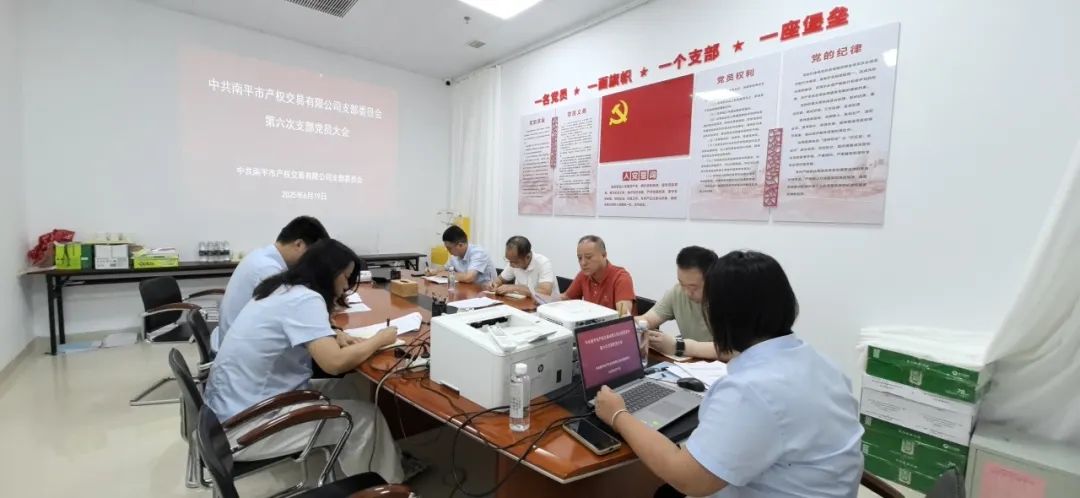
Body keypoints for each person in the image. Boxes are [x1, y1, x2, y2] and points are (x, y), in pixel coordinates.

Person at [595, 251, 863, 498]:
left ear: (722, 316)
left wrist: (618, 414)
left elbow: (688, 479)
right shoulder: (821, 363)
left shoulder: (750, 391)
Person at [204, 239, 404, 482]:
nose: (346, 285)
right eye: (345, 276)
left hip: (230, 409)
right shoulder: (305, 299)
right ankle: (385, 487)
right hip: (247, 427)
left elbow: (293, 329)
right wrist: (379, 339)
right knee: (367, 418)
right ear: (329, 272)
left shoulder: (280, 287)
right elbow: (334, 363)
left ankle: (363, 463)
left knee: (347, 387)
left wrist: (333, 334)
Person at [211, 216, 333, 351]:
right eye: (313, 256)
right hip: (241, 349)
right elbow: (296, 315)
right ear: (299, 244)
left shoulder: (262, 256)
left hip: (236, 340)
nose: (313, 263)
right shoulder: (267, 269)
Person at [637, 246, 730, 361]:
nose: (686, 292)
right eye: (682, 283)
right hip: (691, 364)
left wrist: (678, 346)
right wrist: (630, 327)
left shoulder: (729, 299)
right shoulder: (677, 291)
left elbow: (734, 350)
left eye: (693, 287)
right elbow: (647, 320)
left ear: (713, 280)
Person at [561, 235, 635, 315]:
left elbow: (623, 315)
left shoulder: (621, 278)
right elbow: (566, 298)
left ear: (604, 255)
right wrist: (551, 296)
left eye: (588, 257)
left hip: (613, 323)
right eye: (579, 258)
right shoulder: (584, 274)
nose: (583, 263)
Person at [488, 235, 556, 299]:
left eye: (515, 262)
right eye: (509, 260)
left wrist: (515, 288)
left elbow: (545, 293)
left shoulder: (543, 263)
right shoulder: (513, 261)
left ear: (527, 257)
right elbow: (500, 279)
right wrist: (494, 284)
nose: (510, 265)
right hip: (523, 302)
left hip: (545, 304)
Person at [428, 225, 496, 285]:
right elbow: (445, 267)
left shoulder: (479, 253)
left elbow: (469, 278)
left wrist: (447, 274)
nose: (447, 250)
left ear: (460, 245)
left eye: (449, 248)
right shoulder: (455, 255)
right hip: (466, 289)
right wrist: (434, 271)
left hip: (484, 291)